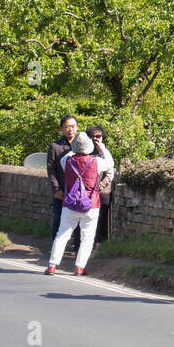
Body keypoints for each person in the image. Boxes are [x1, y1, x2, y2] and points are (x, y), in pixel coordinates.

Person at [46, 131, 113, 276]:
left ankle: (52, 265)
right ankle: (79, 267)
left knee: (62, 234)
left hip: (69, 203)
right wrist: (102, 149)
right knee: (87, 238)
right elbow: (110, 164)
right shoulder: (97, 162)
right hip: (91, 204)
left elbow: (67, 156)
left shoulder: (67, 161)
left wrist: (75, 148)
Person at [47, 115, 80, 253]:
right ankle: (55, 248)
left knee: (79, 221)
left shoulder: (84, 144)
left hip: (78, 191)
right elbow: (51, 169)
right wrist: (56, 189)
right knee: (59, 219)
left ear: (77, 127)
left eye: (72, 126)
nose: (70, 129)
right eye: (67, 126)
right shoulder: (55, 146)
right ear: (62, 129)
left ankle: (78, 247)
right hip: (62, 190)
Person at [87, 125, 114, 244]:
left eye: (98, 136)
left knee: (102, 220)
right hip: (88, 193)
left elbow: (109, 174)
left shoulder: (105, 153)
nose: (95, 139)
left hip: (102, 193)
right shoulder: (86, 152)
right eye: (92, 137)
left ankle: (100, 243)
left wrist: (98, 187)